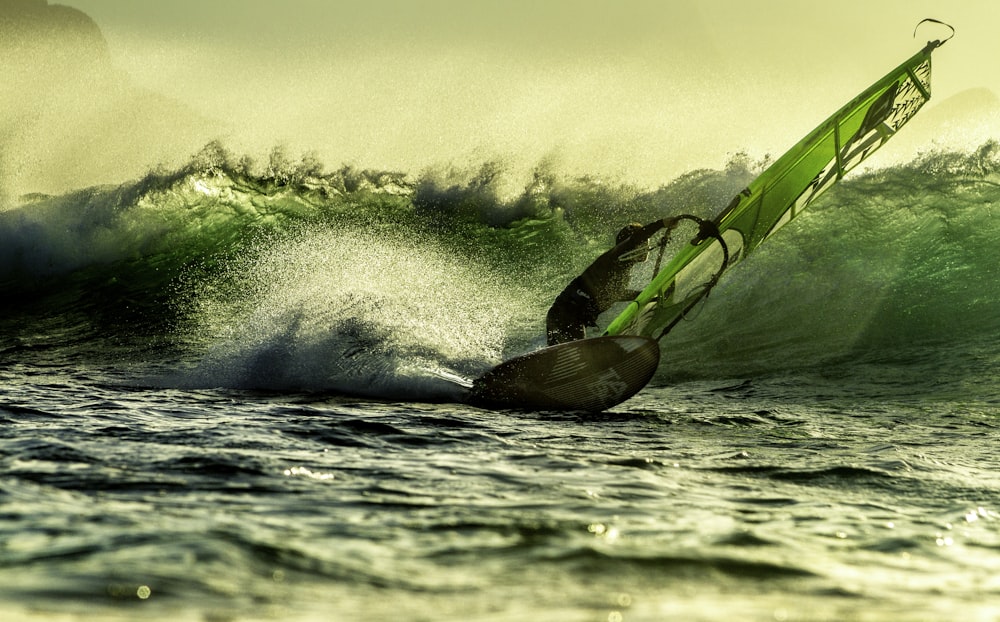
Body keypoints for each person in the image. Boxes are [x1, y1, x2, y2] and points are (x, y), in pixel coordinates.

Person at [546, 220, 669, 345]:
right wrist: (662, 223)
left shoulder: (623, 267)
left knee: (565, 359)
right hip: (566, 313)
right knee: (578, 356)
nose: (647, 247)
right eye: (643, 242)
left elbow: (616, 295)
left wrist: (650, 296)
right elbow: (635, 239)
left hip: (570, 316)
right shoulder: (614, 258)